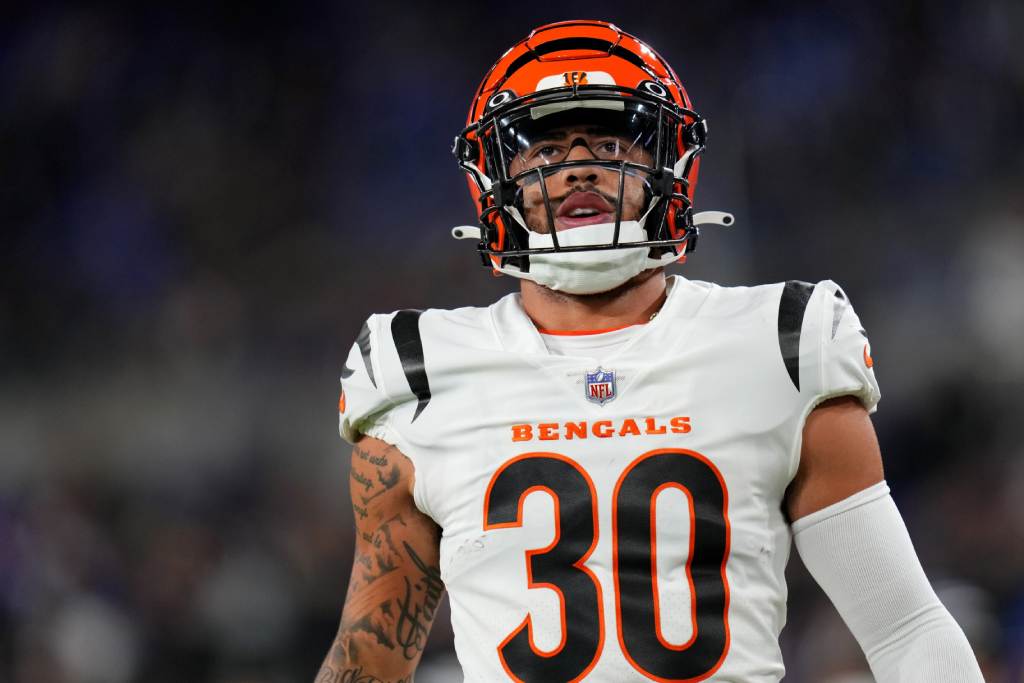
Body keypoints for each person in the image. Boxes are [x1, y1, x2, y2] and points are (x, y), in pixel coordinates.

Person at [317, 20, 984, 683]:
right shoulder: (416, 368)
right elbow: (370, 657)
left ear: (668, 166)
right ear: (494, 182)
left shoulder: (780, 342)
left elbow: (904, 627)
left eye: (611, 143)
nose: (580, 166)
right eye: (545, 153)